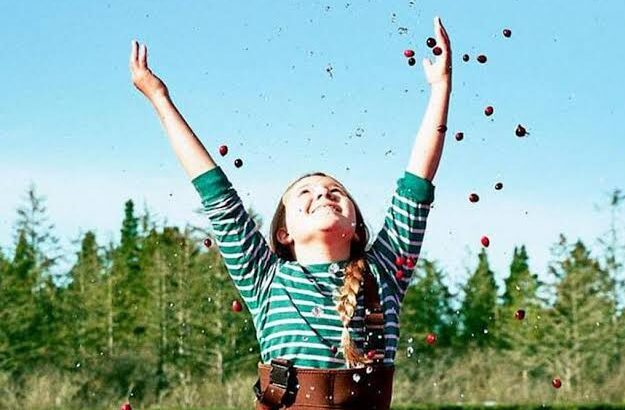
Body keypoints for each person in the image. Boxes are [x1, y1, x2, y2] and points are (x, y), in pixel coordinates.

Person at [130, 16, 452, 410]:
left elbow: (417, 184)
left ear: (356, 227)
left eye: (336, 191)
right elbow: (214, 191)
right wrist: (160, 99)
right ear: (284, 233)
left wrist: (440, 88)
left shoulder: (385, 271)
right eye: (305, 192)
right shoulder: (264, 278)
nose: (323, 193)